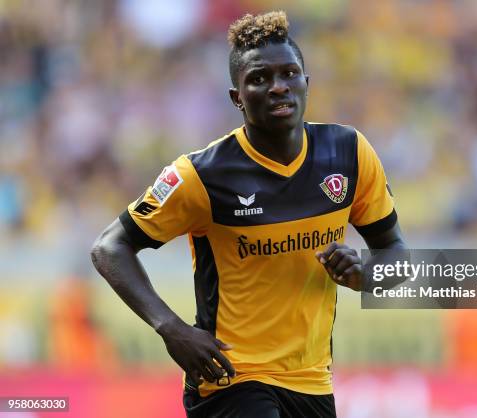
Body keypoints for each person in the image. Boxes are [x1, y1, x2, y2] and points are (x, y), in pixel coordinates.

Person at [91, 10, 407, 418]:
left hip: (312, 381)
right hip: (232, 378)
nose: (278, 87)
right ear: (236, 97)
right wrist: (171, 329)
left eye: (289, 74)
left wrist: (365, 275)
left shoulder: (349, 153)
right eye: (259, 78)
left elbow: (396, 253)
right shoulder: (201, 175)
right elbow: (109, 248)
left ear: (306, 84)